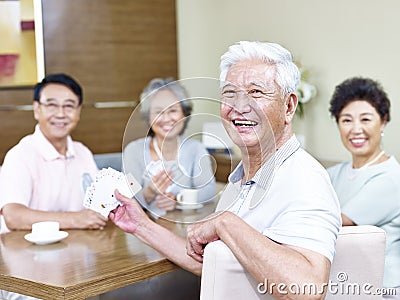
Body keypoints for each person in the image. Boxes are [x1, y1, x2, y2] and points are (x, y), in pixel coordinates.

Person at [110, 41, 341, 299]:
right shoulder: (242, 178)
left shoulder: (304, 178)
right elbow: (216, 264)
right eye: (230, 94)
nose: (240, 106)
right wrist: (140, 225)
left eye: (256, 92)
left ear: (288, 107)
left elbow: (307, 289)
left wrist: (225, 223)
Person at [0, 73, 107, 234]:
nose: (61, 114)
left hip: (78, 247)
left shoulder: (82, 152)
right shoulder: (19, 155)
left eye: (69, 106)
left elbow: (99, 203)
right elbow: (13, 216)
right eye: (52, 105)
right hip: (27, 251)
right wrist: (76, 219)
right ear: (37, 109)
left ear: (78, 111)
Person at [327, 77, 400, 298]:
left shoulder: (392, 179)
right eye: (346, 120)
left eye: (366, 119)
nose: (356, 129)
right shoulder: (332, 174)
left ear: (384, 121)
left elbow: (334, 223)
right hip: (338, 284)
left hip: (378, 290)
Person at [123, 78, 216, 214]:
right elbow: (126, 201)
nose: (166, 119)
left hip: (185, 228)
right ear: (148, 117)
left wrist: (179, 199)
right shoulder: (133, 151)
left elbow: (209, 191)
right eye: (158, 112)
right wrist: (149, 193)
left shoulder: (195, 149)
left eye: (172, 110)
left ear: (184, 113)